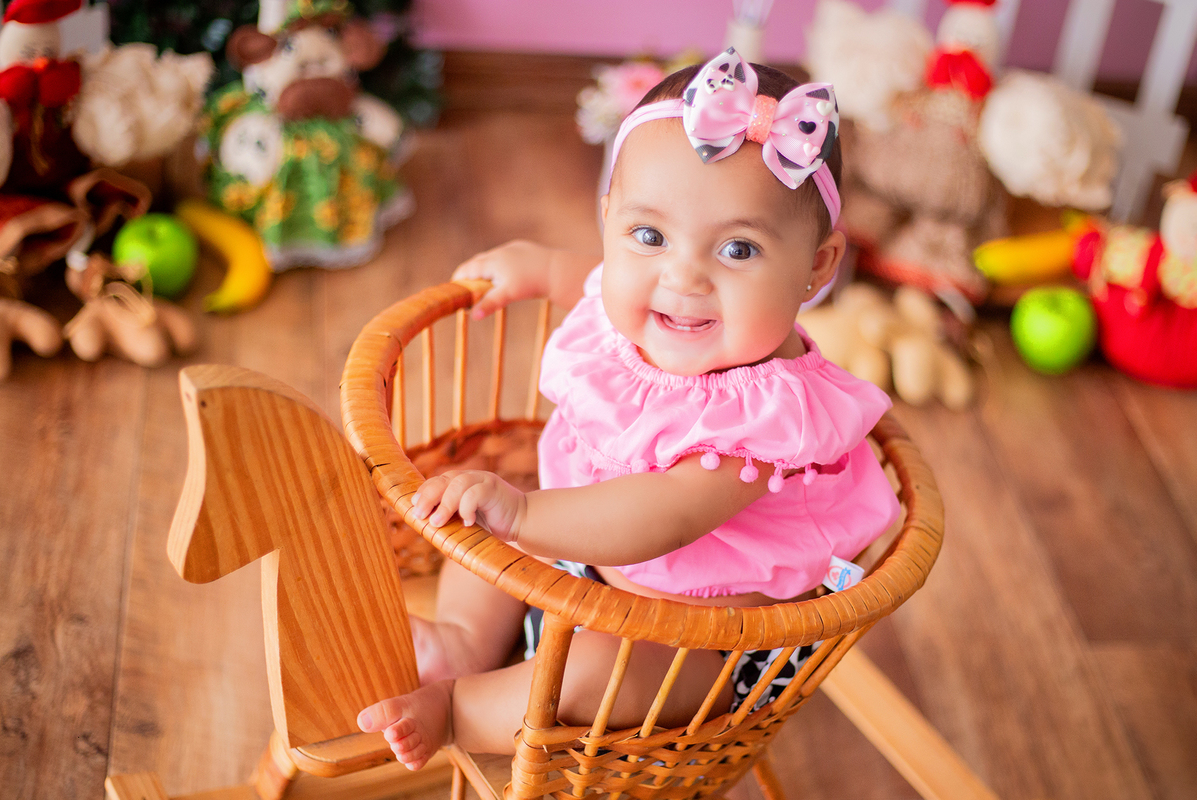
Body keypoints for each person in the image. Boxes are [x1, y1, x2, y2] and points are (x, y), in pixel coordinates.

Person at [356, 49, 900, 770]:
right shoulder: (644, 305)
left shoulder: (770, 420)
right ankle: (461, 637)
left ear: (817, 268)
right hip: (585, 562)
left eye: (738, 249)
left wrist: (524, 513)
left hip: (691, 644)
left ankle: (462, 711)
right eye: (649, 236)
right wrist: (539, 268)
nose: (682, 278)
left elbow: (662, 516)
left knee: (599, 670)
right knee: (496, 536)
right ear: (610, 220)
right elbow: (595, 280)